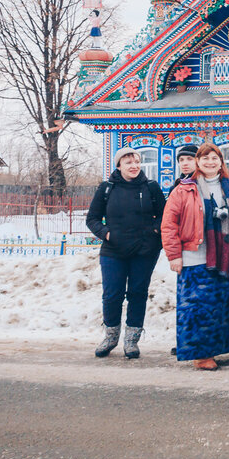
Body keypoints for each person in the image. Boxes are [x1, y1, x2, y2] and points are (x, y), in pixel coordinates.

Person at [161, 143, 229, 370]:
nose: (210, 162)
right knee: (197, 308)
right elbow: (169, 225)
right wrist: (174, 255)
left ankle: (216, 349)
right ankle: (201, 355)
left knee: (221, 305)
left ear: (221, 162)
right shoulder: (184, 189)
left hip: (226, 257)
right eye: (205, 158)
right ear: (198, 162)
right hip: (194, 258)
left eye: (215, 158)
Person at [86, 147, 165, 359]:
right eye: (128, 162)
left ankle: (131, 340)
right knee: (112, 294)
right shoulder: (107, 188)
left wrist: (154, 231)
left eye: (137, 161)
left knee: (138, 293)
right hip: (114, 250)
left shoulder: (151, 187)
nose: (134, 166)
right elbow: (92, 219)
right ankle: (111, 336)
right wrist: (107, 234)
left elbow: (164, 215)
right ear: (119, 165)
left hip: (144, 250)